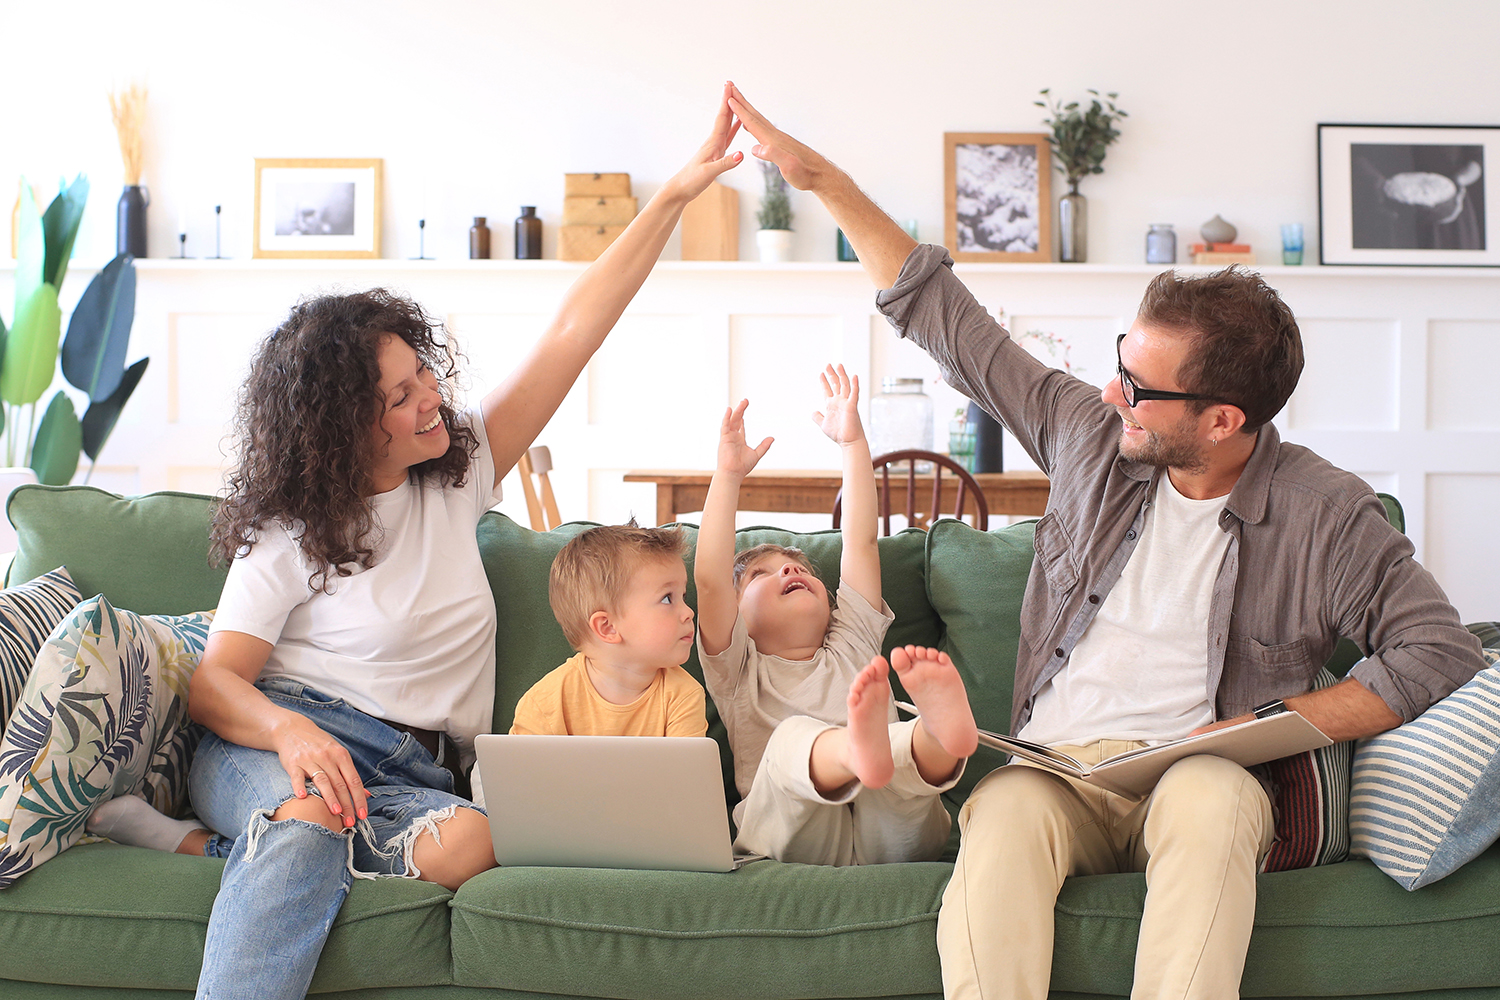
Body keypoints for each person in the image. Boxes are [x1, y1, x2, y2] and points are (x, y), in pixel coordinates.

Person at [724, 85, 1486, 1000]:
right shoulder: (1092, 434)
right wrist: (822, 181)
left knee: (1210, 801)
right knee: (1001, 817)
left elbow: (1437, 650)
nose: (1112, 391)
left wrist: (1274, 728)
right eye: (1122, 361)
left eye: (1140, 385)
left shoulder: (1327, 514)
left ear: (1223, 418)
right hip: (1056, 770)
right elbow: (945, 318)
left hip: (1199, 773)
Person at [133, 89, 747, 1000]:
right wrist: (292, 733)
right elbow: (217, 681)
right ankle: (277, 836)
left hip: (414, 770)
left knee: (475, 845)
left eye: (421, 370)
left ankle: (206, 844)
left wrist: (671, 200)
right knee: (307, 817)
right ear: (345, 427)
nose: (429, 399)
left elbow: (575, 331)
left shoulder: (456, 471)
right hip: (283, 746)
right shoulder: (293, 529)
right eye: (398, 395)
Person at [693, 363, 979, 867]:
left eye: (795, 568)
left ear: (829, 601)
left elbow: (862, 542)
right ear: (737, 620)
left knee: (899, 766)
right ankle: (858, 749)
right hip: (791, 838)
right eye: (763, 574)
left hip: (889, 841)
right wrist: (728, 474)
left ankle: (935, 739)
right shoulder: (739, 669)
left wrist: (852, 444)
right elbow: (711, 580)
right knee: (789, 744)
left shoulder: (852, 640)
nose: (786, 571)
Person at [503, 523, 707, 742]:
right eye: (667, 598)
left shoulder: (684, 695)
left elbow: (684, 775)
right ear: (608, 627)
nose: (688, 612)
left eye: (683, 596)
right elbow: (519, 773)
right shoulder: (546, 702)